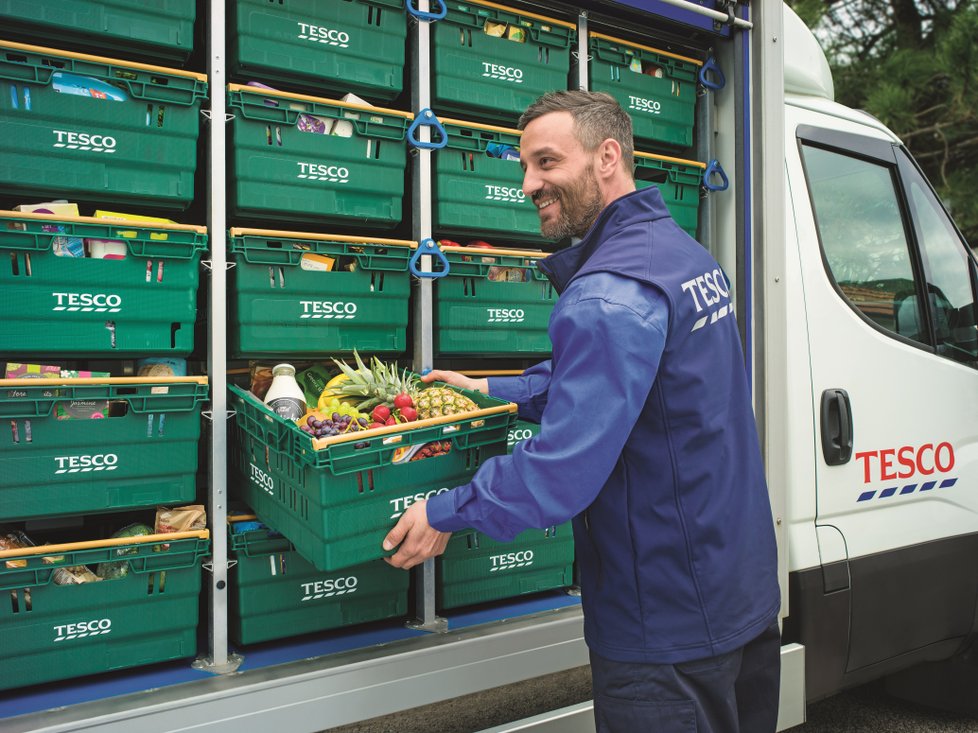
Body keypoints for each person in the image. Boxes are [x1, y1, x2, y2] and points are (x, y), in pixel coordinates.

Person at [382, 90, 782, 733]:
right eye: (524, 166)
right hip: (739, 586)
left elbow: (561, 470)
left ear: (607, 156)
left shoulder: (607, 293)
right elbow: (640, 386)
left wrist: (445, 511)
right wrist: (498, 393)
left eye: (545, 162)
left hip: (665, 616)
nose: (528, 183)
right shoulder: (683, 257)